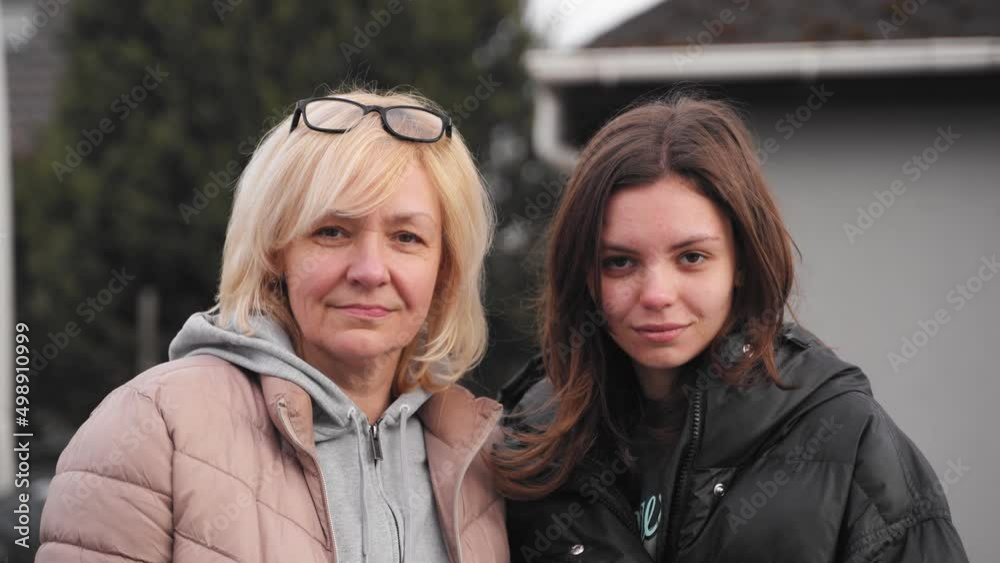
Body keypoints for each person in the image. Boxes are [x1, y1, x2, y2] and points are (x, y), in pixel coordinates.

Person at [37, 89, 509, 563]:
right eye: (331, 232)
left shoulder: (485, 461)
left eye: (407, 237)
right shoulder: (151, 429)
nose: (369, 270)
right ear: (274, 251)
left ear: (445, 267)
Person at [492, 95, 969, 562]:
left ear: (742, 262)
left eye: (691, 257)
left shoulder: (847, 437)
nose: (656, 294)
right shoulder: (529, 448)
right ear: (583, 275)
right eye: (619, 262)